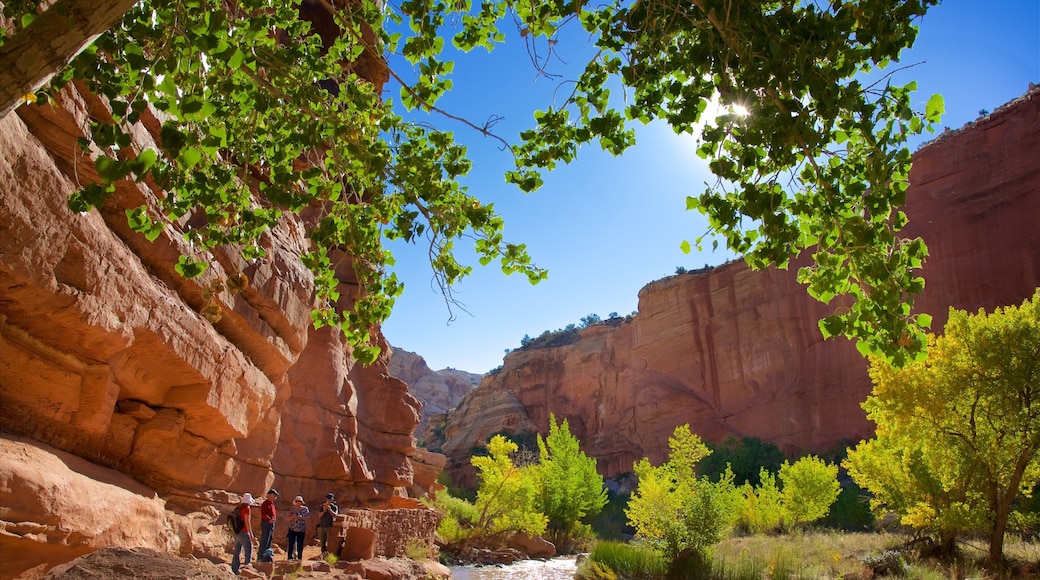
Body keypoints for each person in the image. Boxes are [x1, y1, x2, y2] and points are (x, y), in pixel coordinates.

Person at [231, 493, 257, 575]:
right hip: (244, 532)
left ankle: (234, 569)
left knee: (237, 550)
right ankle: (247, 569)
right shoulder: (247, 509)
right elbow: (247, 522)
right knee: (248, 549)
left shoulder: (238, 508)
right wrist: (251, 534)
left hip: (237, 532)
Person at [286, 495, 309, 560]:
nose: (298, 502)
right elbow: (288, 519)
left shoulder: (305, 509)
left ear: (301, 502)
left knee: (300, 544)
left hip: (301, 529)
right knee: (291, 543)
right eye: (297, 501)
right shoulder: (292, 509)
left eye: (299, 501)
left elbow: (307, 518)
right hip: (292, 529)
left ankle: (299, 558)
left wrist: (299, 517)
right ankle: (289, 557)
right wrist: (293, 517)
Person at [259, 488, 279, 556]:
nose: (275, 497)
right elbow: (263, 514)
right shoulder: (265, 503)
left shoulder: (272, 504)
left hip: (271, 524)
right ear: (269, 495)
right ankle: (261, 556)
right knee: (265, 540)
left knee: (269, 540)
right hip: (266, 523)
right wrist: (269, 519)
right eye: (274, 495)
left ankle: (266, 556)